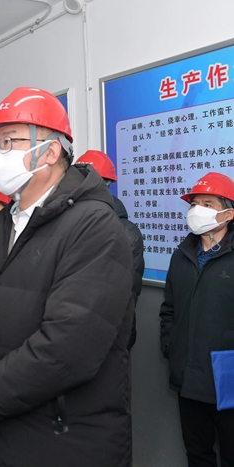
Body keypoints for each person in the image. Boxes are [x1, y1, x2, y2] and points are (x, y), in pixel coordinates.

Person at [0, 87, 134, 466]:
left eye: (10, 141)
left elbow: (68, 346)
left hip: (62, 441)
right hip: (1, 432)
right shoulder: (8, 224)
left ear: (51, 151)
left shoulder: (94, 226)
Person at [159, 172, 234, 467]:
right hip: (188, 376)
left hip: (228, 379)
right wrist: (171, 345)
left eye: (207, 203)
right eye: (194, 204)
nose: (197, 210)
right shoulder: (181, 255)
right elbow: (169, 309)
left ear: (228, 214)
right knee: (197, 453)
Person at [76, 150, 145, 349]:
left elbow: (124, 293)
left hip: (109, 337)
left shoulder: (125, 231)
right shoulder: (65, 221)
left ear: (105, 184)